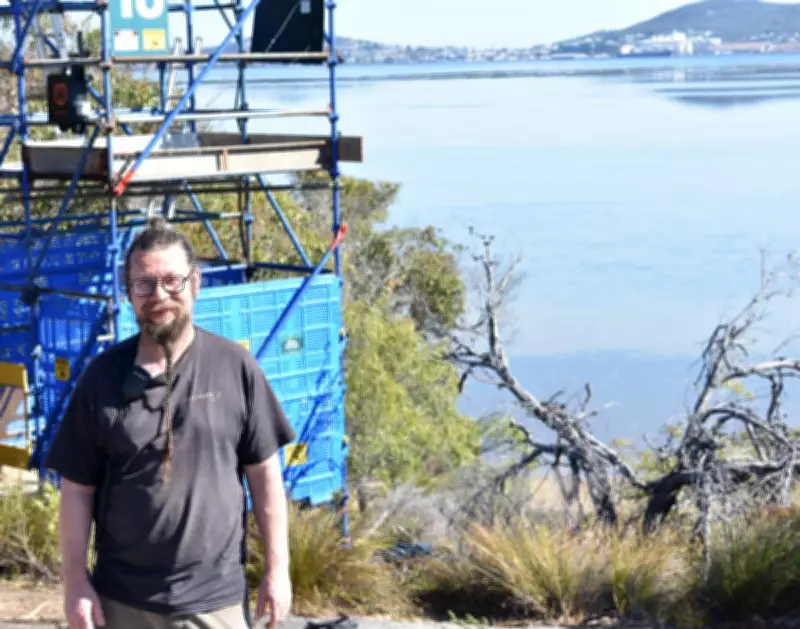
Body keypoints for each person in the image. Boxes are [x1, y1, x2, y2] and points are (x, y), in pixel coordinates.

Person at [45, 216, 296, 629]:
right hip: (122, 601)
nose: (158, 294)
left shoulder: (235, 366)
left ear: (195, 283)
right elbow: (76, 490)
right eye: (143, 284)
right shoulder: (101, 378)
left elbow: (265, 475)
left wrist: (277, 570)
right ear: (129, 294)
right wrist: (74, 582)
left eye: (172, 281)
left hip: (215, 601)